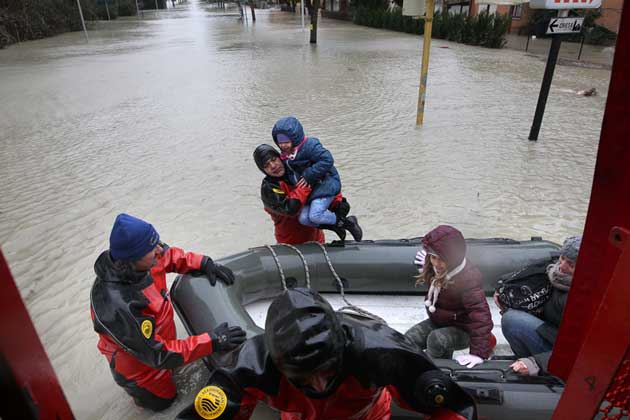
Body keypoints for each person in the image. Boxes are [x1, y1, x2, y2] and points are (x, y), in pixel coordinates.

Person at [175, 288, 478, 420]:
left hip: (366, 416)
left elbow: (455, 408)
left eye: (327, 373)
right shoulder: (248, 368)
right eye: (306, 378)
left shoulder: (379, 351)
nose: (320, 386)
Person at [90, 213, 247, 411]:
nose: (159, 250)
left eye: (156, 242)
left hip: (161, 342)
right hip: (144, 372)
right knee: (166, 403)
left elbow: (169, 255)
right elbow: (159, 355)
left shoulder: (145, 256)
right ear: (131, 259)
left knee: (174, 369)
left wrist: (202, 262)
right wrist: (213, 341)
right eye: (152, 248)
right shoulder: (117, 306)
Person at [405, 225, 494, 368]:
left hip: (464, 329)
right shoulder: (432, 266)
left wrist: (478, 353)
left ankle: (437, 371)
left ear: (453, 258)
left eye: (441, 260)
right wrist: (426, 266)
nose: (436, 263)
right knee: (409, 338)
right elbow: (433, 277)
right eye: (433, 257)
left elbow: (481, 317)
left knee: (436, 340)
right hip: (440, 320)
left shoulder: (468, 278)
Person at [271, 116, 363, 242]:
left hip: (324, 185)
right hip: (312, 192)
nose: (283, 145)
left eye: (286, 142)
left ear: (295, 138)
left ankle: (347, 222)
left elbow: (327, 159)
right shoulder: (286, 158)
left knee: (315, 215)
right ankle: (336, 226)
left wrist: (309, 174)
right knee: (303, 218)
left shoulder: (310, 145)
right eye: (280, 143)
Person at [500, 236, 582, 376]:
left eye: (571, 264)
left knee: (513, 320)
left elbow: (580, 351)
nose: (562, 266)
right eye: (562, 258)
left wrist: (537, 362)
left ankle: (541, 370)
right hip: (552, 333)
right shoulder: (553, 274)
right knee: (511, 315)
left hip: (567, 353)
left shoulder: (584, 300)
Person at [253, 144, 351, 244]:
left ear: (280, 157)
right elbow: (291, 209)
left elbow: (322, 188)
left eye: (274, 159)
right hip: (289, 245)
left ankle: (338, 225)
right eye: (266, 166)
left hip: (317, 240)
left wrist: (337, 202)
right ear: (263, 171)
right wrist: (305, 185)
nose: (273, 166)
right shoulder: (268, 188)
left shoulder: (296, 169)